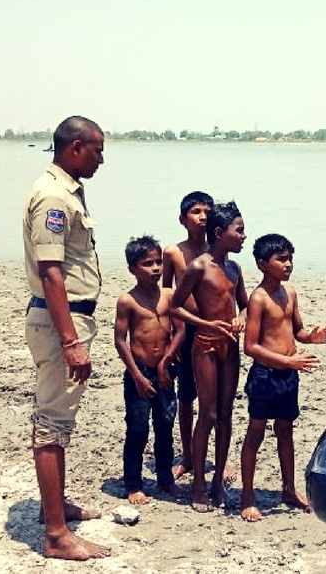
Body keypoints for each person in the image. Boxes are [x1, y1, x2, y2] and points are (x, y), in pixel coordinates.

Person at [22, 115, 110, 560]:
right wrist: (71, 340)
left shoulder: (66, 190)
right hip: (62, 324)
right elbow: (51, 271)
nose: (101, 158)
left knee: (59, 420)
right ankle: (56, 535)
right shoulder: (54, 196)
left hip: (67, 320)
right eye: (97, 150)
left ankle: (52, 508)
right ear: (76, 147)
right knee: (52, 424)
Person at [239, 233, 326, 521]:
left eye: (290, 258)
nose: (288, 264)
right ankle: (247, 494)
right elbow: (251, 347)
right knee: (255, 432)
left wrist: (312, 338)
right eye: (281, 259)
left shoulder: (289, 293)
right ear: (262, 264)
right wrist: (287, 360)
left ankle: (289, 489)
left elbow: (297, 332)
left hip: (289, 376)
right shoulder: (259, 298)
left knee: (285, 431)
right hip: (266, 375)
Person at [170, 200, 248, 512]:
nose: (244, 236)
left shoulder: (234, 268)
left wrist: (241, 316)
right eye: (239, 230)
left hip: (230, 348)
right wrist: (207, 323)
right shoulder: (199, 267)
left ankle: (218, 480)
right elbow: (174, 306)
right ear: (219, 233)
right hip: (204, 346)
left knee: (227, 414)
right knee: (209, 414)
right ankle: (198, 484)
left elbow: (243, 302)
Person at [113, 235, 184, 505]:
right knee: (138, 428)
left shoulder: (169, 295)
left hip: (165, 372)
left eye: (158, 263)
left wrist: (166, 361)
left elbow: (180, 330)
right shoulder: (127, 301)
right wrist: (137, 375)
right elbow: (121, 340)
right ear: (132, 268)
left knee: (165, 426)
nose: (155, 268)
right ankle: (133, 482)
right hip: (139, 373)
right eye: (147, 264)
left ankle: (165, 479)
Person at [161, 190, 217, 482]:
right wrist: (173, 335)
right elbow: (167, 294)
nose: (203, 216)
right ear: (183, 219)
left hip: (214, 328)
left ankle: (217, 459)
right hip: (186, 329)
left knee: (217, 397)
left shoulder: (218, 249)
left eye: (207, 211)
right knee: (187, 396)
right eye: (196, 211)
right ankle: (188, 455)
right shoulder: (172, 252)